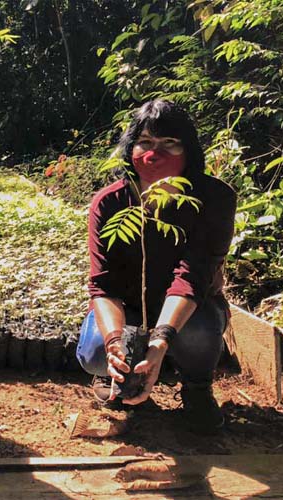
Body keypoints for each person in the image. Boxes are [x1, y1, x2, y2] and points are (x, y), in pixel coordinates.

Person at [76, 100, 236, 435]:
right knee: (93, 351)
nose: (154, 154)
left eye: (169, 144)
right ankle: (114, 374)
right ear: (131, 149)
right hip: (130, 308)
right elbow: (103, 285)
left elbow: (192, 274)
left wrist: (160, 341)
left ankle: (196, 386)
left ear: (188, 149)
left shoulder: (214, 198)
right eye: (145, 143)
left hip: (192, 309)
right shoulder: (109, 202)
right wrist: (114, 343)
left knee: (198, 335)